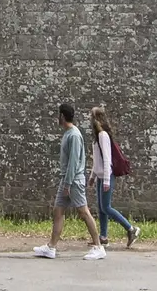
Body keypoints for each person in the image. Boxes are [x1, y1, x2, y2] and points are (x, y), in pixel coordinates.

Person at [33, 103, 106, 260]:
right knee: (58, 211)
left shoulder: (73, 135)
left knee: (83, 212)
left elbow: (73, 162)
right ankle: (51, 247)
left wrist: (67, 184)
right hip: (66, 179)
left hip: (73, 181)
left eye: (58, 115)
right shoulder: (68, 133)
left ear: (62, 116)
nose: (57, 118)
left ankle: (98, 246)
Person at [88, 106, 140, 249]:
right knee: (101, 208)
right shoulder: (97, 137)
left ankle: (131, 229)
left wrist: (105, 180)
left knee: (106, 207)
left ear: (97, 119)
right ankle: (103, 237)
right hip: (100, 176)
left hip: (106, 175)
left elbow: (107, 159)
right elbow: (97, 160)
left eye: (92, 117)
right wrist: (93, 176)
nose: (90, 120)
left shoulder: (103, 135)